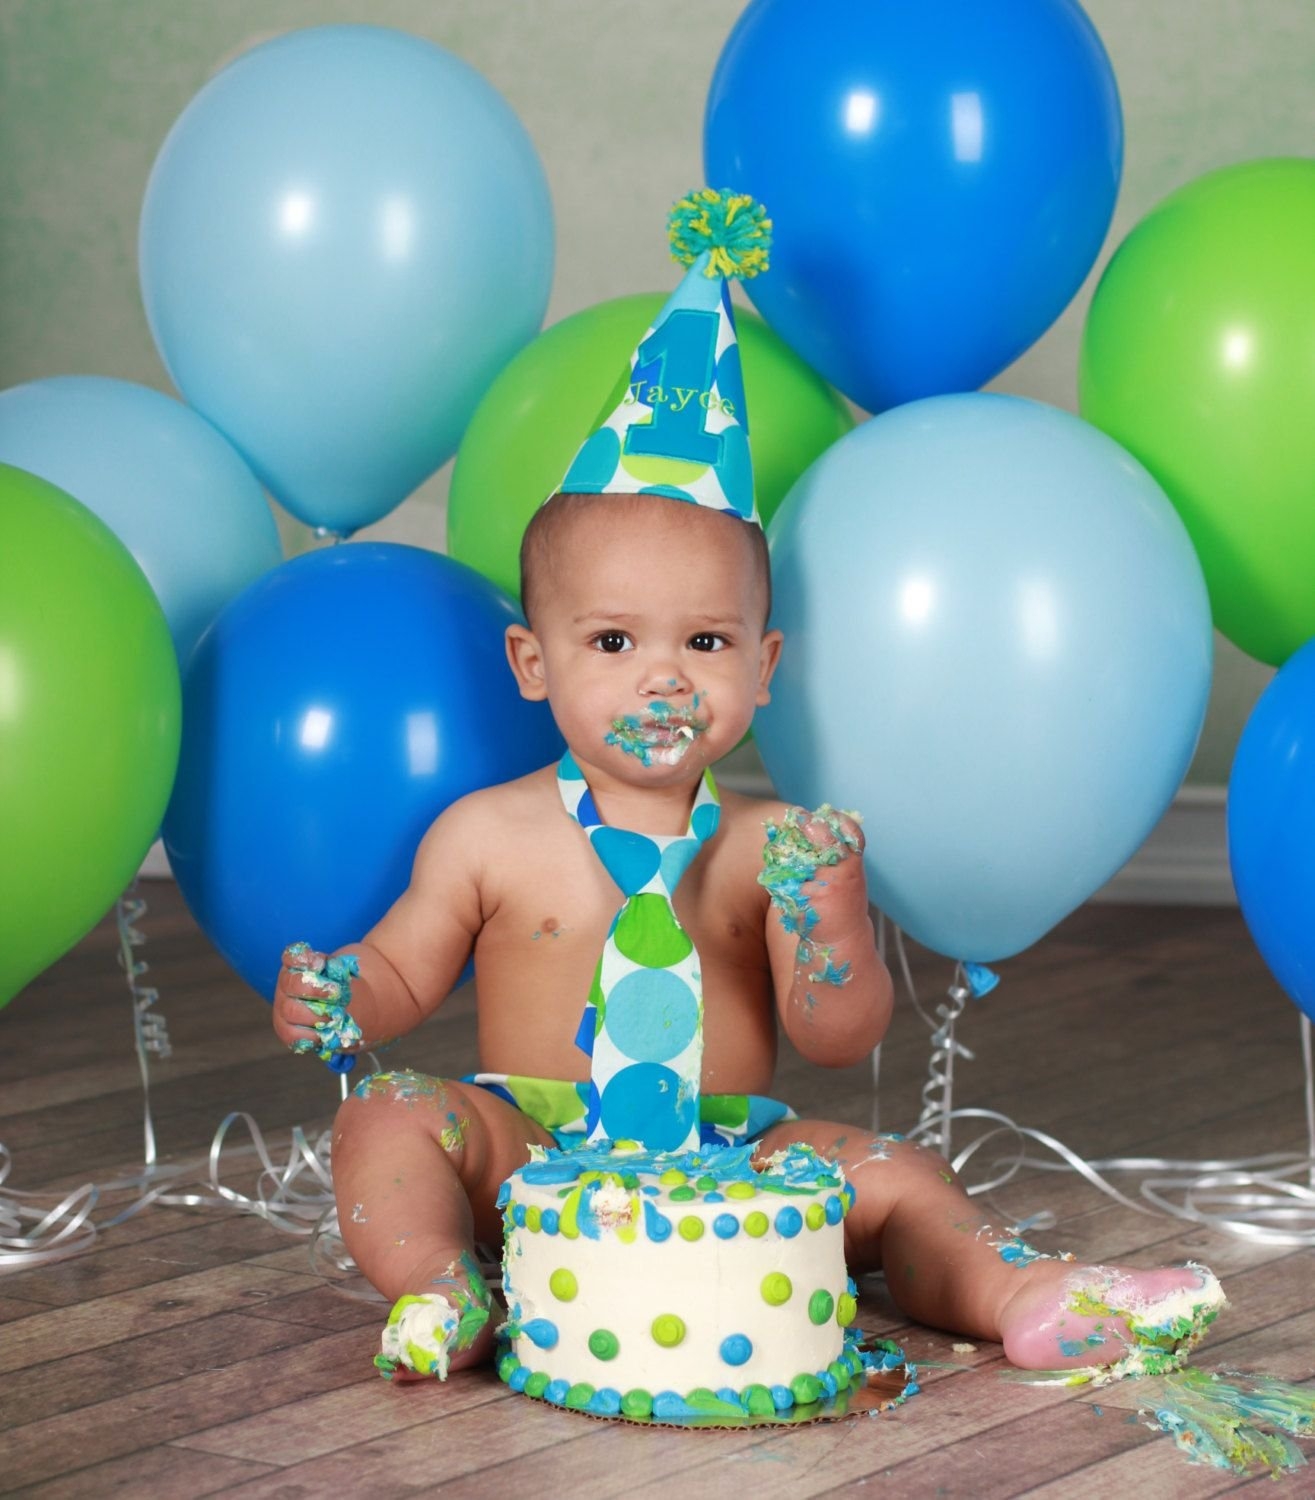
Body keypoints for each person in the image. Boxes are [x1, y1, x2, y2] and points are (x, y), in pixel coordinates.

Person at [272, 190, 1224, 1387]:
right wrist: (340, 993)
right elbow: (405, 973)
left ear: (763, 668)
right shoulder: (487, 835)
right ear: (532, 662)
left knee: (899, 1174)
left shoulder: (775, 844)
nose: (663, 677)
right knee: (389, 1116)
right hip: (533, 1152)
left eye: (706, 643)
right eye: (612, 642)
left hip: (733, 1162)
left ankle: (1019, 1293)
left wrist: (830, 923)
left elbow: (836, 1036)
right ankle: (439, 1285)